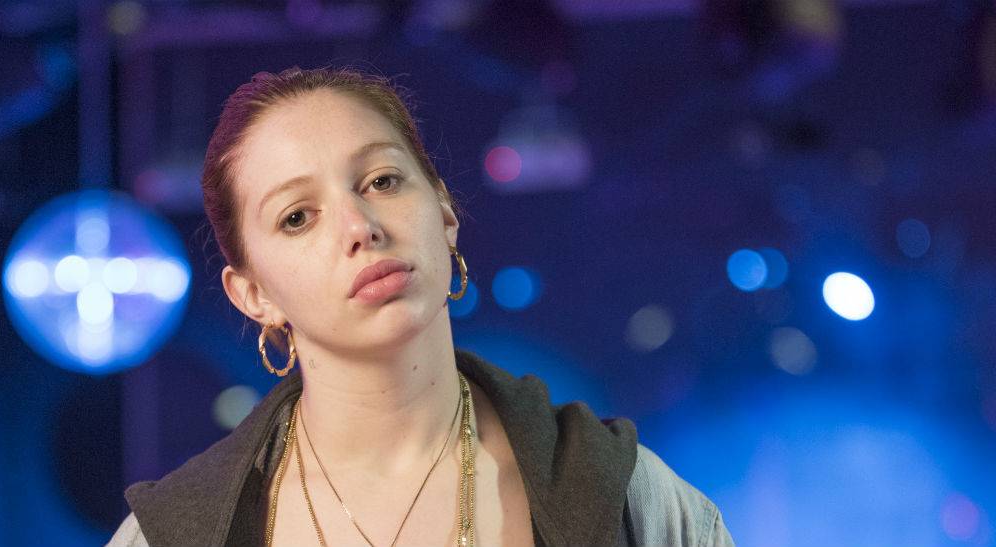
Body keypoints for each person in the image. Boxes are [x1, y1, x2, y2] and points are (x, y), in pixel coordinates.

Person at [108, 67, 734, 547]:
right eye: (297, 217)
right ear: (255, 295)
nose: (360, 226)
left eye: (381, 181)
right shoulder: (174, 534)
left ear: (443, 212)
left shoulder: (628, 498)